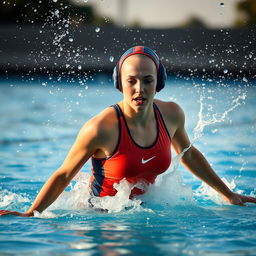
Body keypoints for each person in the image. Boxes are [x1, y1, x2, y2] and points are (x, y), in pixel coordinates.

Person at [1, 46, 255, 217]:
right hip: (100, 216)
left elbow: (188, 154)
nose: (139, 89)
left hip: (147, 212)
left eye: (148, 80)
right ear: (119, 82)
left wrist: (228, 194)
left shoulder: (171, 115)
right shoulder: (101, 128)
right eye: (131, 80)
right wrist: (31, 213)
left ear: (159, 82)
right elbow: (65, 173)